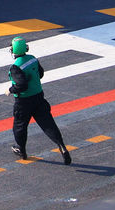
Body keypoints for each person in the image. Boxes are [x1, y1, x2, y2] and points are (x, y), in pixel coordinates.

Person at [5, 36, 71, 164]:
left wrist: (10, 90)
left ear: (13, 50)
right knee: (48, 124)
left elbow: (21, 85)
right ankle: (61, 145)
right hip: (38, 97)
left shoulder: (16, 67)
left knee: (20, 126)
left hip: (23, 102)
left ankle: (21, 150)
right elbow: (40, 73)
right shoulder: (32, 59)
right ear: (26, 48)